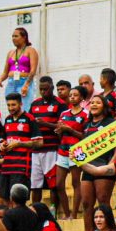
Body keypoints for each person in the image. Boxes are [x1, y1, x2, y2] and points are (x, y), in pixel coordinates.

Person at [79, 95, 116, 231]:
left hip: (104, 166)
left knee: (103, 201)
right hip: (88, 168)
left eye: (98, 102)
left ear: (104, 106)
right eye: (92, 102)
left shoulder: (111, 122)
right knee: (86, 204)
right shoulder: (86, 125)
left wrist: (111, 163)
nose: (94, 105)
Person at [29, 76, 67, 207]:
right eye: (41, 89)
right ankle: (35, 210)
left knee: (53, 184)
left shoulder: (60, 104)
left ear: (51, 88)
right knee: (35, 184)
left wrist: (46, 124)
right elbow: (30, 124)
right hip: (36, 150)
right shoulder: (34, 104)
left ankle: (53, 210)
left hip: (52, 149)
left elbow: (63, 126)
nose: (43, 92)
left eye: (46, 89)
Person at [0, 92, 42, 202]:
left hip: (21, 166)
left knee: (17, 199)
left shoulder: (29, 119)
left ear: (20, 104)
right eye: (8, 105)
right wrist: (3, 145)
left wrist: (19, 144)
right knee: (4, 198)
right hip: (7, 166)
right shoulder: (7, 119)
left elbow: (39, 142)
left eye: (13, 105)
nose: (10, 108)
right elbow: (4, 139)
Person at [54, 84, 88, 218]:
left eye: (75, 95)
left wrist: (70, 130)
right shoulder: (64, 114)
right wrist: (59, 131)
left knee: (75, 183)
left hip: (77, 151)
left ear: (82, 98)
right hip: (62, 151)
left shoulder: (86, 114)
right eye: (71, 95)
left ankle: (74, 214)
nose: (72, 97)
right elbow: (59, 133)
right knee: (58, 184)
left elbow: (86, 136)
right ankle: (67, 213)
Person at [0, 27, 38, 111]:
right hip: (11, 83)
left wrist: (26, 85)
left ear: (24, 37)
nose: (13, 38)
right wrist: (1, 79)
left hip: (24, 82)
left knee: (24, 107)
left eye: (16, 36)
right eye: (12, 36)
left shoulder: (30, 50)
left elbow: (33, 70)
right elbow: (5, 72)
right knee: (11, 107)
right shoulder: (11, 53)